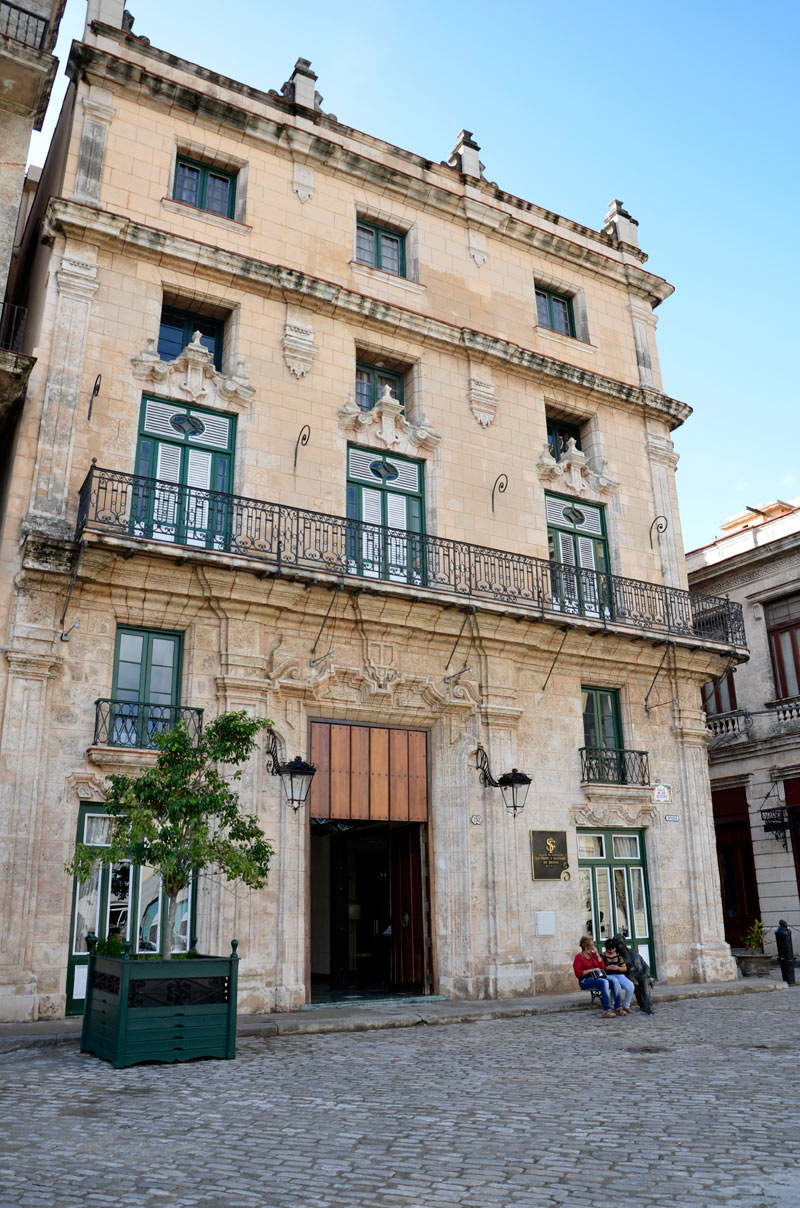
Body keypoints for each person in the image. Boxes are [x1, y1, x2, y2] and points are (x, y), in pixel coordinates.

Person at [572, 934, 623, 1018]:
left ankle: (618, 1008)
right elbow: (578, 973)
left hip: (597, 977)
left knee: (614, 980)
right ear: (586, 948)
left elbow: (602, 967)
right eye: (591, 946)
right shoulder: (578, 957)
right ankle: (606, 1010)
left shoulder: (593, 955)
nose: (593, 948)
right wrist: (591, 970)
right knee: (604, 982)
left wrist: (597, 954)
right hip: (585, 980)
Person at [611, 934, 654, 1014]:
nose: (620, 946)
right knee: (636, 984)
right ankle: (645, 1006)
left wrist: (646, 974)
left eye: (621, 943)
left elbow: (646, 966)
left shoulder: (633, 952)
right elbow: (617, 971)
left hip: (640, 974)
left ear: (625, 942)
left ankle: (647, 1006)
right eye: (618, 944)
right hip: (629, 976)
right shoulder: (616, 956)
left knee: (645, 981)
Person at [603, 940, 635, 1013]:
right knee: (616, 985)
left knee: (630, 986)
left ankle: (626, 1006)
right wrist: (607, 968)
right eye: (609, 949)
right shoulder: (602, 956)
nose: (611, 951)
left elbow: (624, 968)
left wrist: (617, 968)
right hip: (608, 975)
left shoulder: (618, 955)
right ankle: (613, 1006)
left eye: (613, 949)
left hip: (619, 974)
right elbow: (600, 968)